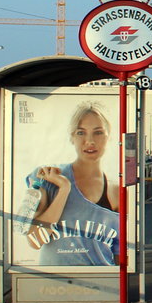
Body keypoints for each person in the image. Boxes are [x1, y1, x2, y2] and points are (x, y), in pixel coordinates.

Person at [21, 102, 120, 266]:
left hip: (101, 282)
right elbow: (35, 240)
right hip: (52, 283)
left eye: (98, 133)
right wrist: (64, 190)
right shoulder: (46, 177)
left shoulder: (116, 191)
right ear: (72, 137)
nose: (89, 141)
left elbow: (120, 253)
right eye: (81, 132)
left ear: (109, 137)